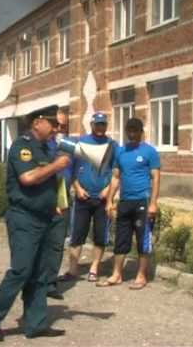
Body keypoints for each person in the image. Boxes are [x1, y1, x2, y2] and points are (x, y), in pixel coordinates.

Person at [0, 106, 70, 341]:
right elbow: (27, 178)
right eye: (54, 125)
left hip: (45, 218)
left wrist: (55, 203)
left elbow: (47, 183)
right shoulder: (22, 146)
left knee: (41, 273)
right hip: (24, 218)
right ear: (38, 123)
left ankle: (36, 323)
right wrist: (56, 166)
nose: (57, 130)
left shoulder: (44, 148)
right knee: (21, 270)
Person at [97, 117, 160, 290]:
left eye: (135, 131)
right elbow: (116, 177)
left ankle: (141, 275)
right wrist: (110, 200)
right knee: (121, 239)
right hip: (125, 201)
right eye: (129, 131)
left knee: (143, 239)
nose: (132, 134)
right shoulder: (120, 151)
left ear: (141, 132)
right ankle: (117, 274)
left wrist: (153, 203)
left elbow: (155, 178)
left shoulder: (150, 152)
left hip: (143, 201)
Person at [58, 112, 116, 283]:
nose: (100, 127)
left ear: (106, 126)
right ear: (91, 125)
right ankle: (73, 269)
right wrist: (77, 187)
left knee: (100, 235)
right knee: (77, 234)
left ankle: (94, 268)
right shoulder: (80, 142)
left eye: (103, 124)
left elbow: (117, 173)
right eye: (97, 124)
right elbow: (71, 170)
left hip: (103, 198)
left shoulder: (112, 145)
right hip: (82, 197)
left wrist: (108, 190)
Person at [45, 107, 73, 300]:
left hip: (63, 197)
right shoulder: (39, 145)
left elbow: (79, 168)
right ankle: (36, 281)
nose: (59, 129)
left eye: (63, 125)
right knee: (41, 243)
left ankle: (50, 283)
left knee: (56, 243)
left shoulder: (69, 144)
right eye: (56, 125)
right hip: (44, 197)